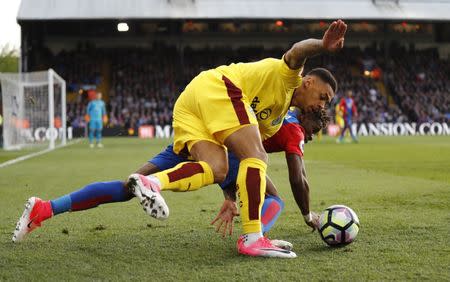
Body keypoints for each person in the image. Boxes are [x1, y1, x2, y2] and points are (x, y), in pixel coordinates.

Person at [127, 20, 346, 258]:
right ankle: (253, 238)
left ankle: (152, 183)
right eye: (323, 97)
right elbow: (297, 51)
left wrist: (230, 197)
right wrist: (322, 45)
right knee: (256, 155)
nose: (322, 105)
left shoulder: (274, 122)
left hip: (197, 100)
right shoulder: (290, 77)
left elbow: (235, 157)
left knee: (218, 169)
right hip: (220, 86)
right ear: (309, 82)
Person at [12, 108, 329, 254]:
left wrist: (230, 195)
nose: (313, 136)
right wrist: (308, 215)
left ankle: (45, 209)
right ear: (309, 117)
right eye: (318, 127)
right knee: (275, 199)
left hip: (195, 136)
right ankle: (254, 237)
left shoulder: (280, 109)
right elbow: (297, 175)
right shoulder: (295, 129)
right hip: (224, 151)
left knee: (129, 186)